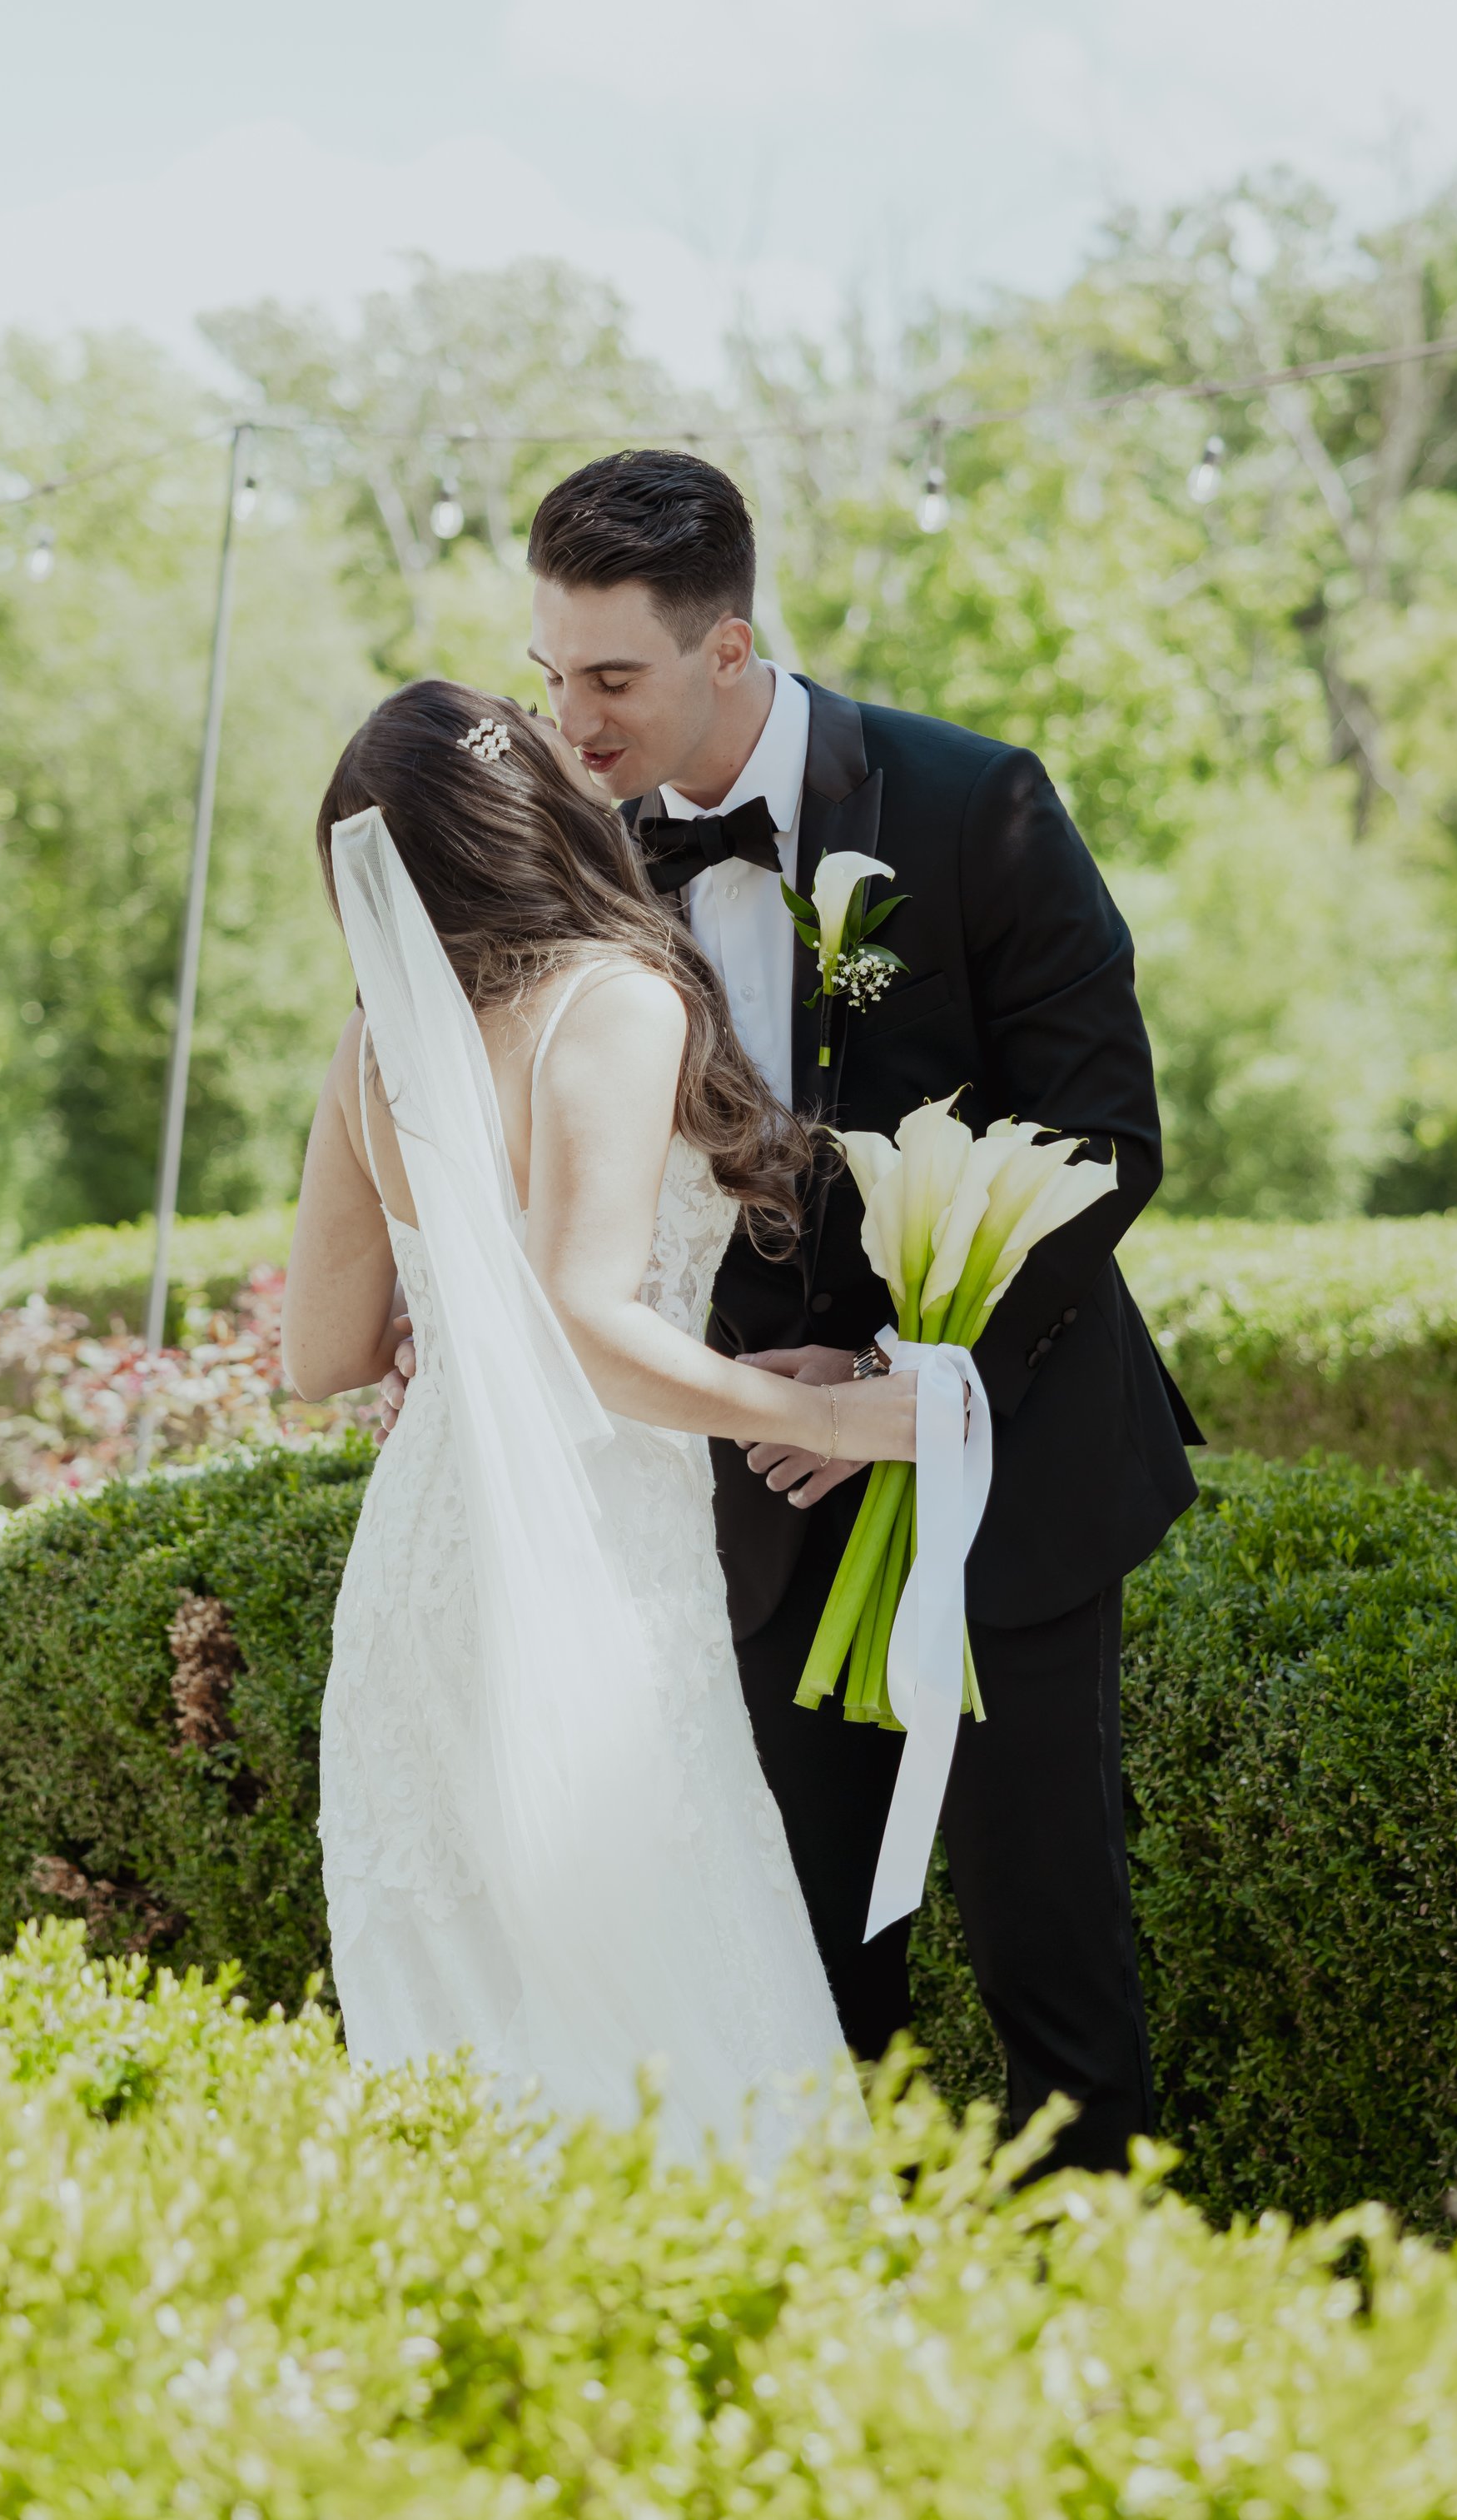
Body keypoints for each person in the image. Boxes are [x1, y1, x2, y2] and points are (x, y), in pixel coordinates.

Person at [388, 447, 1202, 2174]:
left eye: (613, 677)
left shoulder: (971, 803)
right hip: (741, 1510)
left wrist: (906, 1369)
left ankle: (1107, 2363)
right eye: (552, 674)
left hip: (1005, 1470)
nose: (577, 720)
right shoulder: (573, 861)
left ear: (730, 648)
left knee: (1054, 1964)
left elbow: (1101, 1140)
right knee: (802, 1981)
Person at [282, 678, 914, 2154]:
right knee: (672, 1984)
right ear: (542, 813)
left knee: (471, 2015)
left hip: (423, 1573)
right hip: (590, 1557)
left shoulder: (373, 1047)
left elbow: (320, 1354)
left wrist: (459, 1311)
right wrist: (826, 1424)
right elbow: (585, 1324)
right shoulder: (614, 1002)